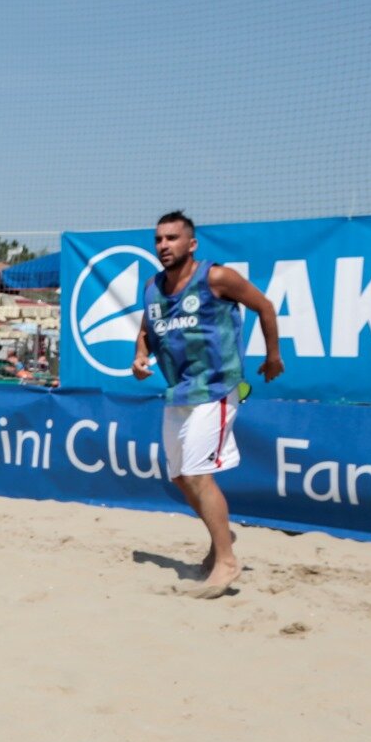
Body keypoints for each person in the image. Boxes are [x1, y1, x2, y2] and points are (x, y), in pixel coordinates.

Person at [131, 210, 283, 598]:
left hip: (215, 388)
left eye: (172, 238)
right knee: (181, 478)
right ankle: (221, 540)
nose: (163, 245)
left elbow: (264, 306)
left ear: (191, 244)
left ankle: (227, 562)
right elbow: (148, 328)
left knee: (199, 475)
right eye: (159, 239)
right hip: (178, 391)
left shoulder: (216, 277)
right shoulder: (152, 287)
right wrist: (139, 355)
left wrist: (273, 356)